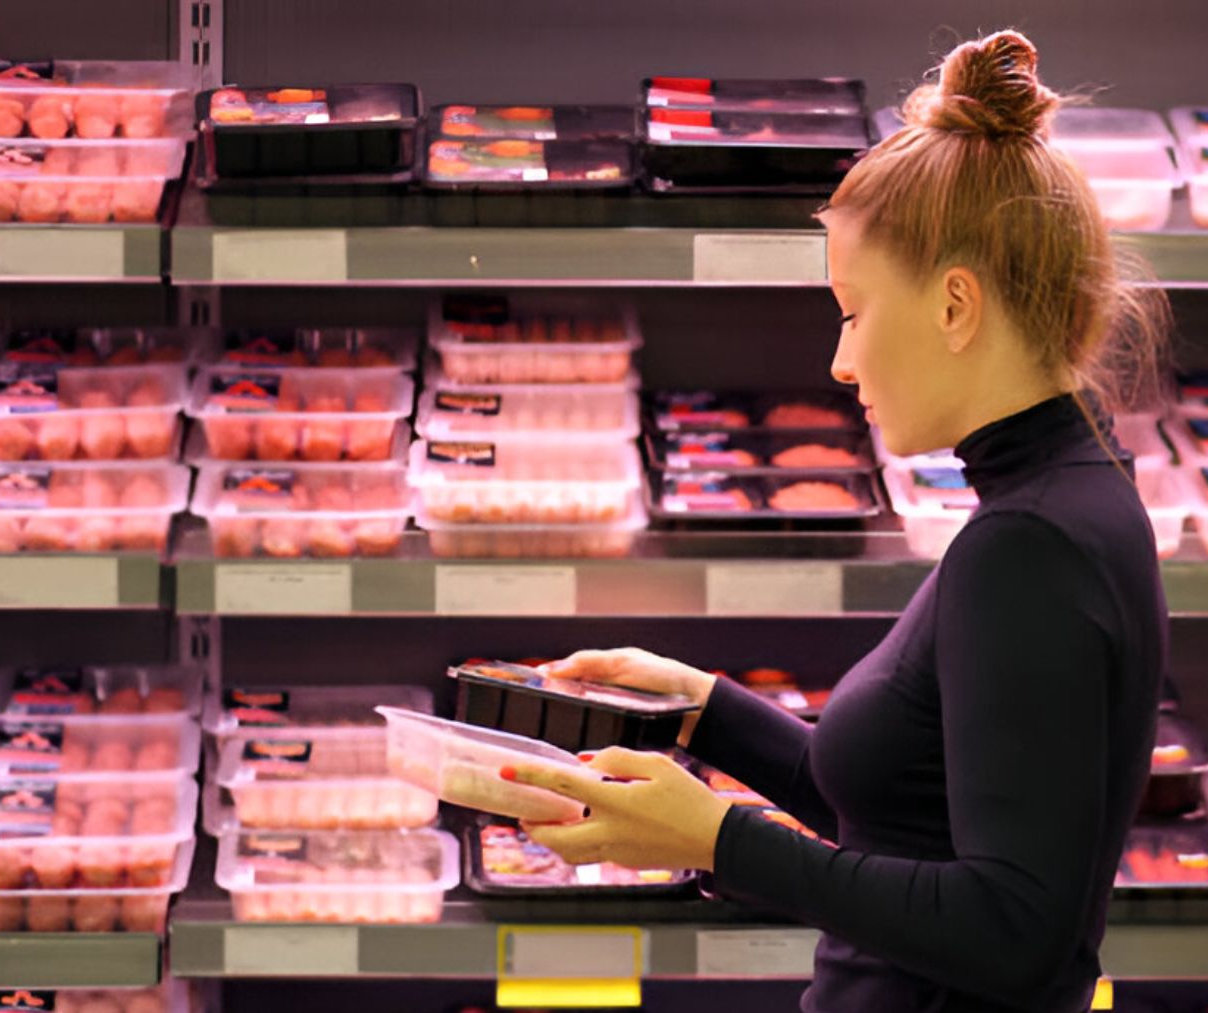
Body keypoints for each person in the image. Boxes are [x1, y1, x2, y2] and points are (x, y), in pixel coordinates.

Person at [501, 28, 1170, 1013]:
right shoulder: (1068, 496)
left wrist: (717, 838)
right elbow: (900, 818)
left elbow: (1015, 929)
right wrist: (700, 705)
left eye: (853, 311)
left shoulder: (1029, 546)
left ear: (954, 306)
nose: (839, 362)